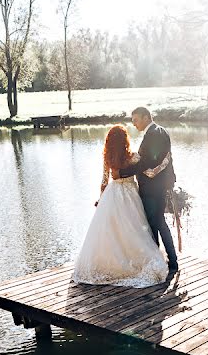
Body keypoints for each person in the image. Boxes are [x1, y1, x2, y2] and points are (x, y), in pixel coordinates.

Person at [72, 124, 172, 287]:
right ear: (125, 140)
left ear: (109, 141)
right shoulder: (133, 156)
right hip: (131, 195)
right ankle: (135, 259)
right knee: (134, 229)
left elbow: (104, 182)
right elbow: (147, 172)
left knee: (112, 231)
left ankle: (113, 261)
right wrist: (165, 161)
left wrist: (101, 198)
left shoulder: (107, 158)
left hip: (112, 195)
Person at [117, 107, 179, 271]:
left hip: (154, 188)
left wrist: (122, 172)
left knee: (158, 223)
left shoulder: (155, 133)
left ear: (146, 117)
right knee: (154, 223)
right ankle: (159, 260)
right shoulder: (156, 132)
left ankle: (172, 262)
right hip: (154, 187)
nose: (134, 123)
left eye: (136, 119)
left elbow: (148, 163)